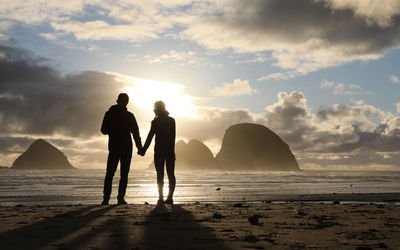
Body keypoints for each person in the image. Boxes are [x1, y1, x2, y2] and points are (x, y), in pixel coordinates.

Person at [100, 93, 142, 205]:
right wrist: (140, 148)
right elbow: (136, 133)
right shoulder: (129, 116)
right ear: (127, 102)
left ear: (117, 101)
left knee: (109, 173)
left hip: (114, 146)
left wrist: (113, 130)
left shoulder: (109, 114)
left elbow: (103, 130)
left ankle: (106, 199)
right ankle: (120, 199)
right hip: (126, 148)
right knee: (124, 174)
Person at [139, 101, 176, 205]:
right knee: (171, 174)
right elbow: (172, 138)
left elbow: (150, 137)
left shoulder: (156, 122)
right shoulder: (172, 121)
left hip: (159, 151)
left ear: (156, 110)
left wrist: (143, 150)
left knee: (160, 175)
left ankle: (161, 198)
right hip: (170, 151)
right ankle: (170, 198)